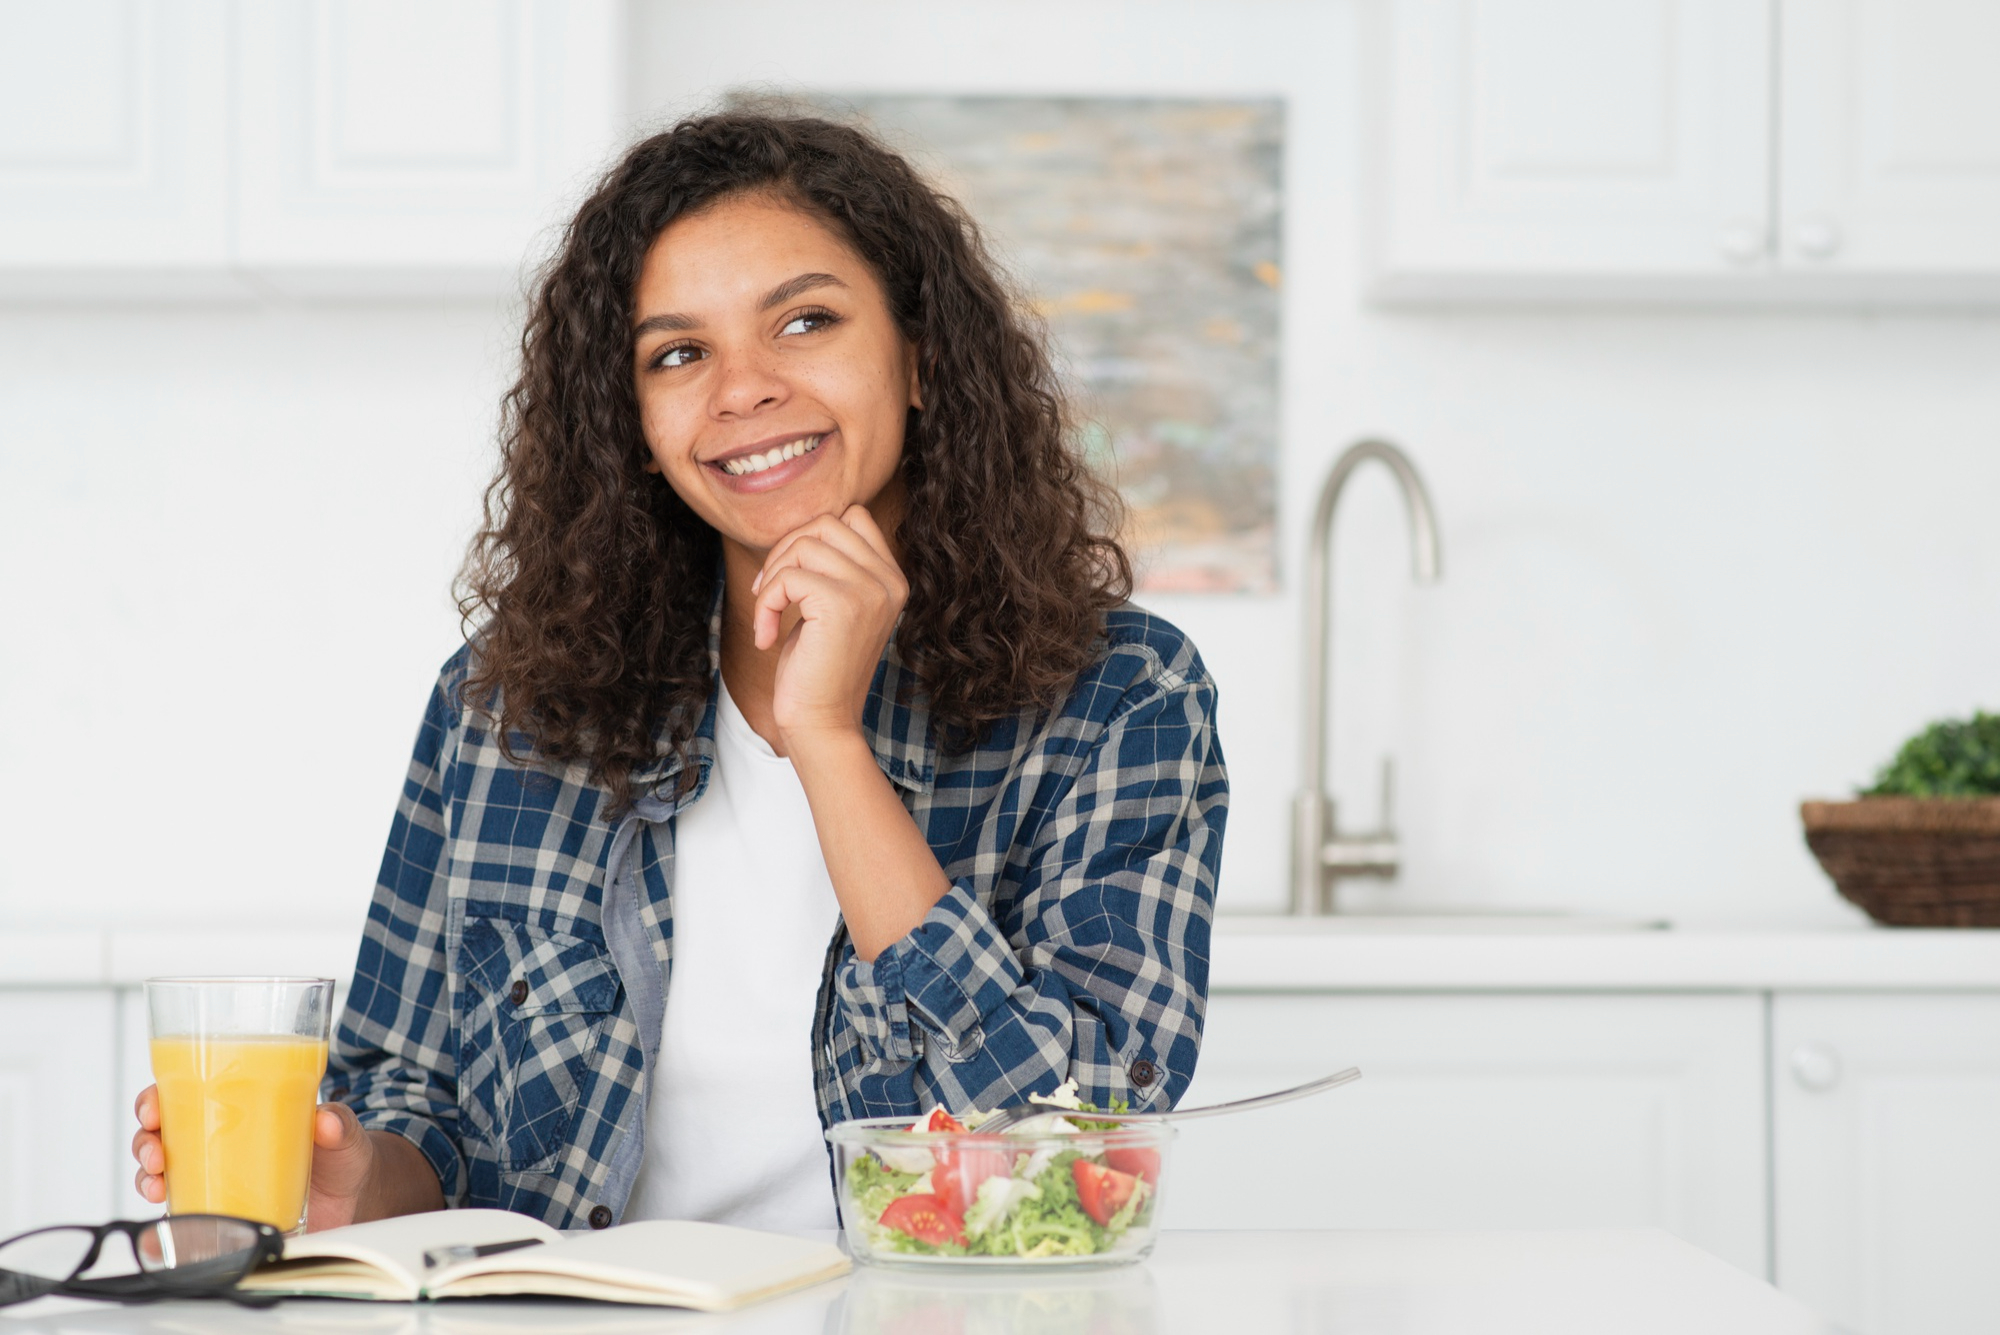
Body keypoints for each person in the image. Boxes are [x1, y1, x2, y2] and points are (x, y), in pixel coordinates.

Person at [130, 112, 1228, 1233]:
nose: (741, 390)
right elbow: (414, 1101)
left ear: (920, 359)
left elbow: (1073, 1149)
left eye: (804, 321)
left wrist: (828, 740)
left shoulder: (1122, 695)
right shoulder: (504, 704)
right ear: (638, 426)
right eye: (678, 354)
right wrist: (354, 1179)